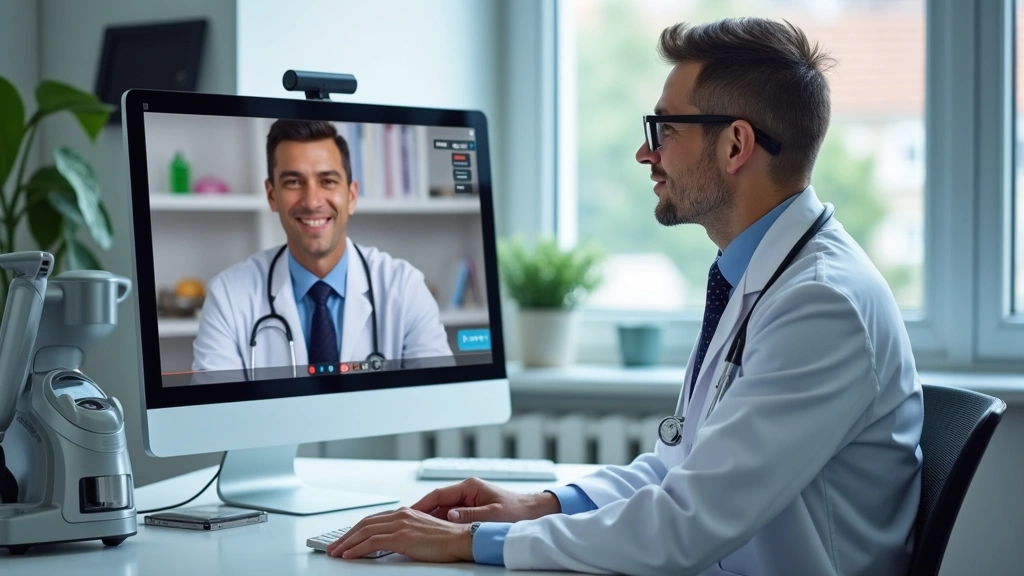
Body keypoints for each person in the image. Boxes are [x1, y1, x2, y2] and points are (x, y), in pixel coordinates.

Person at [323, 17, 924, 576]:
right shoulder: (764, 276)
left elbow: (687, 521)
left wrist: (472, 542)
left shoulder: (822, 305)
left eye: (664, 130)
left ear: (736, 145)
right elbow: (686, 471)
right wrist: (536, 505)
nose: (646, 153)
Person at [193, 120, 453, 379]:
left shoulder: (405, 288)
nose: (312, 201)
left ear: (351, 196)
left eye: (327, 181)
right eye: (294, 182)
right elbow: (214, 417)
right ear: (272, 196)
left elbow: (440, 403)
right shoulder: (227, 297)